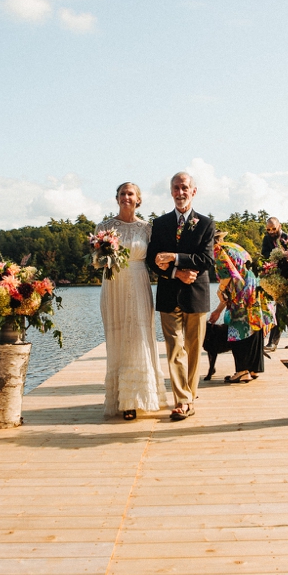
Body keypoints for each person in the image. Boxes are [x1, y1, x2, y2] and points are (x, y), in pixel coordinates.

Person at [146, 172, 215, 421]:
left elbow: (207, 259)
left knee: (194, 349)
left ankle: (190, 394)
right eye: (176, 188)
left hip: (197, 294)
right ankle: (183, 400)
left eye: (184, 187)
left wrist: (175, 258)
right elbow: (152, 260)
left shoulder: (206, 223)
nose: (180, 192)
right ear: (171, 191)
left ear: (193, 191)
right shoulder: (160, 223)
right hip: (168, 293)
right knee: (175, 348)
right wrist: (177, 273)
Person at [98, 182, 168, 421]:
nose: (126, 197)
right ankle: (123, 400)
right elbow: (95, 261)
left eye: (130, 194)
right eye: (122, 194)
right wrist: (103, 255)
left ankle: (140, 397)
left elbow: (156, 259)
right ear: (116, 197)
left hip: (139, 281)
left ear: (138, 199)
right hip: (113, 284)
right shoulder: (104, 227)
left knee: (139, 337)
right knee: (118, 337)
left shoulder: (147, 228)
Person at [209, 231, 272, 382]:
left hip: (241, 294)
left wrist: (220, 291)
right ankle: (254, 369)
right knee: (254, 326)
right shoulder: (236, 247)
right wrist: (218, 310)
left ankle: (242, 370)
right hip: (254, 289)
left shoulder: (218, 251)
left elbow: (227, 277)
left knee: (237, 329)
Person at [261, 217, 288, 351]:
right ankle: (273, 342)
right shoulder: (266, 239)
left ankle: (277, 342)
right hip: (276, 276)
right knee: (281, 309)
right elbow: (265, 254)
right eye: (268, 229)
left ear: (279, 226)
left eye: (273, 228)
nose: (271, 231)